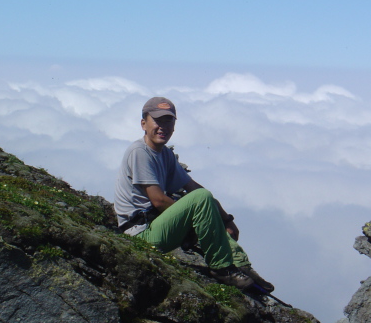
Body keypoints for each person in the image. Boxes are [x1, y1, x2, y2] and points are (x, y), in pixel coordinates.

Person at [114, 96, 274, 291]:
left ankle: (240, 264)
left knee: (203, 200)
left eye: (168, 121)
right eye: (157, 121)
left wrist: (225, 219)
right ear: (143, 124)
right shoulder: (139, 152)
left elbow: (193, 188)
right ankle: (222, 268)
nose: (163, 127)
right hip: (140, 234)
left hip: (156, 226)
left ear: (174, 126)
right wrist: (195, 221)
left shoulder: (165, 154)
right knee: (201, 201)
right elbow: (158, 200)